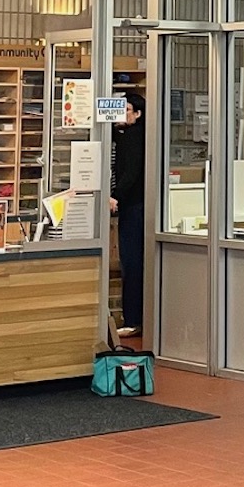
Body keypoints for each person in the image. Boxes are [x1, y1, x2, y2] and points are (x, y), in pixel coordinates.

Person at [110, 89, 146, 338]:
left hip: (134, 207)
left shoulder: (134, 138)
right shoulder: (131, 135)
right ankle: (136, 317)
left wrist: (116, 196)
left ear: (138, 114)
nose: (120, 115)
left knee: (131, 263)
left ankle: (133, 319)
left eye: (125, 110)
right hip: (137, 205)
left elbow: (131, 173)